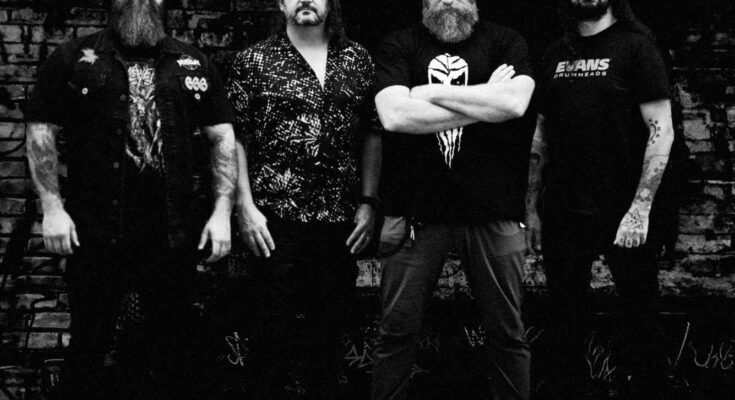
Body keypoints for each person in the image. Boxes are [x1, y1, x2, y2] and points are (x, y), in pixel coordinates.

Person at [24, 0, 237, 399]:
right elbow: (41, 132)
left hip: (173, 235)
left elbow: (221, 138)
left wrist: (222, 212)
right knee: (89, 345)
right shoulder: (73, 57)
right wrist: (52, 208)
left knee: (176, 351)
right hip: (95, 232)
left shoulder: (193, 63)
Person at [370, 0, 536, 399]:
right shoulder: (400, 44)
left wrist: (428, 93)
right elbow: (394, 116)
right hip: (416, 213)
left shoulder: (506, 42)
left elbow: (515, 104)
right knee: (396, 332)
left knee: (508, 334)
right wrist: (487, 101)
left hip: (494, 211)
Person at [225, 0, 381, 398]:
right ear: (281, 4)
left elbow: (372, 133)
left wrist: (368, 201)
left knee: (327, 339)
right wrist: (244, 207)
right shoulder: (253, 60)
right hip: (273, 221)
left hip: (339, 222)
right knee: (270, 337)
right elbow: (234, 138)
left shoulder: (357, 59)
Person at [526, 0, 674, 398]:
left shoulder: (637, 48)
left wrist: (640, 208)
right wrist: (532, 207)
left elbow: (661, 130)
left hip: (622, 206)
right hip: (563, 207)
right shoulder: (556, 53)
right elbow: (541, 135)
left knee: (640, 312)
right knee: (564, 315)